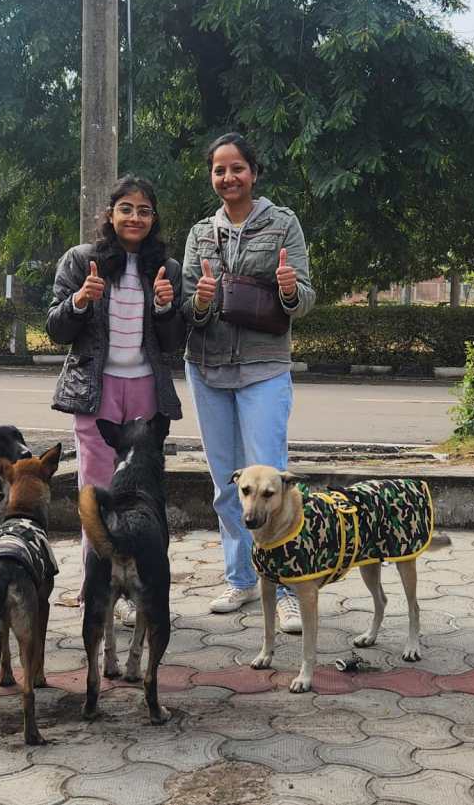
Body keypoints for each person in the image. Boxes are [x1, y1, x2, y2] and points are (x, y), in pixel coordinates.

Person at [180, 133, 316, 633]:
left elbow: (304, 298)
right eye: (219, 170)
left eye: (237, 168)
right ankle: (240, 578)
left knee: (271, 481)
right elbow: (185, 308)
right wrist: (198, 300)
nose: (228, 178)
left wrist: (288, 290)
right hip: (208, 367)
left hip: (263, 367)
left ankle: (283, 589)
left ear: (253, 172)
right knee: (227, 484)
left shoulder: (282, 224)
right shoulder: (200, 234)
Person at [47, 175, 184, 626]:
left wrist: (166, 307)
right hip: (96, 389)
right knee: (97, 489)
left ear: (153, 218)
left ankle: (143, 585)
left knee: (142, 491)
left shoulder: (166, 266)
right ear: (110, 214)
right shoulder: (80, 260)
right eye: (126, 208)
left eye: (144, 210)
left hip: (146, 388)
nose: (135, 218)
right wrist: (81, 300)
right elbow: (56, 330)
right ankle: (97, 585)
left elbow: (172, 342)